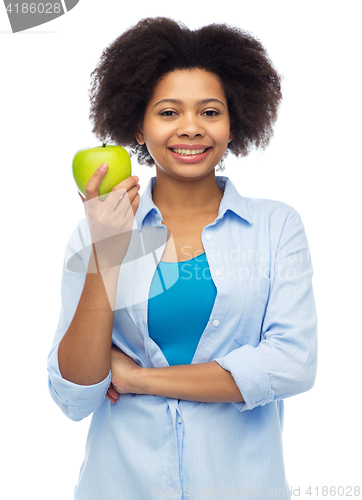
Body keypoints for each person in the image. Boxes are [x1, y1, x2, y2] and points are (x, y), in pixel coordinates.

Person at [47, 17, 318, 499]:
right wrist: (106, 251)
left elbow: (291, 365)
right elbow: (74, 394)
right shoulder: (101, 230)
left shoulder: (276, 228)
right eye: (168, 112)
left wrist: (139, 379)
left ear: (233, 122)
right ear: (138, 123)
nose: (190, 128)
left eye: (210, 112)